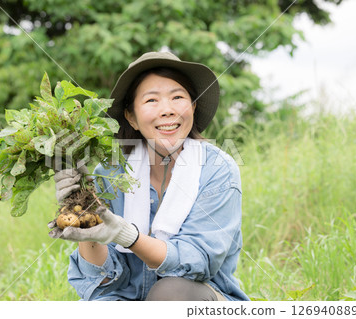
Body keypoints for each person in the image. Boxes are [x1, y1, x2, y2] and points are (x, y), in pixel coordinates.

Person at [48, 51, 249, 301]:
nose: (167, 110)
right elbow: (100, 284)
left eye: (178, 97)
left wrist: (127, 236)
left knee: (171, 292)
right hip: (133, 302)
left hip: (198, 300)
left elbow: (198, 262)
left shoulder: (217, 169)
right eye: (151, 100)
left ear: (193, 107)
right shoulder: (111, 174)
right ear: (131, 117)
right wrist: (85, 220)